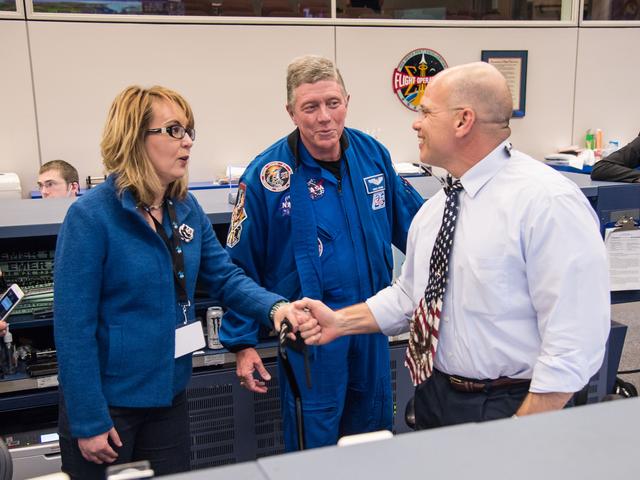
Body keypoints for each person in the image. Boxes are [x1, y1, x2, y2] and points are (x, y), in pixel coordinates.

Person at [297, 61, 611, 429]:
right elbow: (409, 297)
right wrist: (339, 321)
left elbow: (574, 340)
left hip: (514, 406)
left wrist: (522, 433)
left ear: (463, 121)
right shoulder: (437, 209)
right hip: (437, 396)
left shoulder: (546, 203)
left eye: (427, 112)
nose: (416, 123)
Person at [53, 85, 310, 479]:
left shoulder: (185, 209)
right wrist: (88, 418)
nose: (187, 141)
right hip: (109, 407)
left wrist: (276, 308)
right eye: (173, 130)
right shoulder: (91, 217)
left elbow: (224, 277)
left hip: (168, 397)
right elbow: (73, 328)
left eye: (189, 130)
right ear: (134, 138)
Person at [219, 55, 424, 450]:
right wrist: (242, 343)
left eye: (333, 103)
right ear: (292, 112)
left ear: (347, 100)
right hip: (309, 339)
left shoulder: (373, 156)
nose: (324, 117)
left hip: (368, 326)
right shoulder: (267, 177)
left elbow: (418, 229)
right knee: (315, 451)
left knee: (374, 441)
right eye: (310, 107)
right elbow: (237, 269)